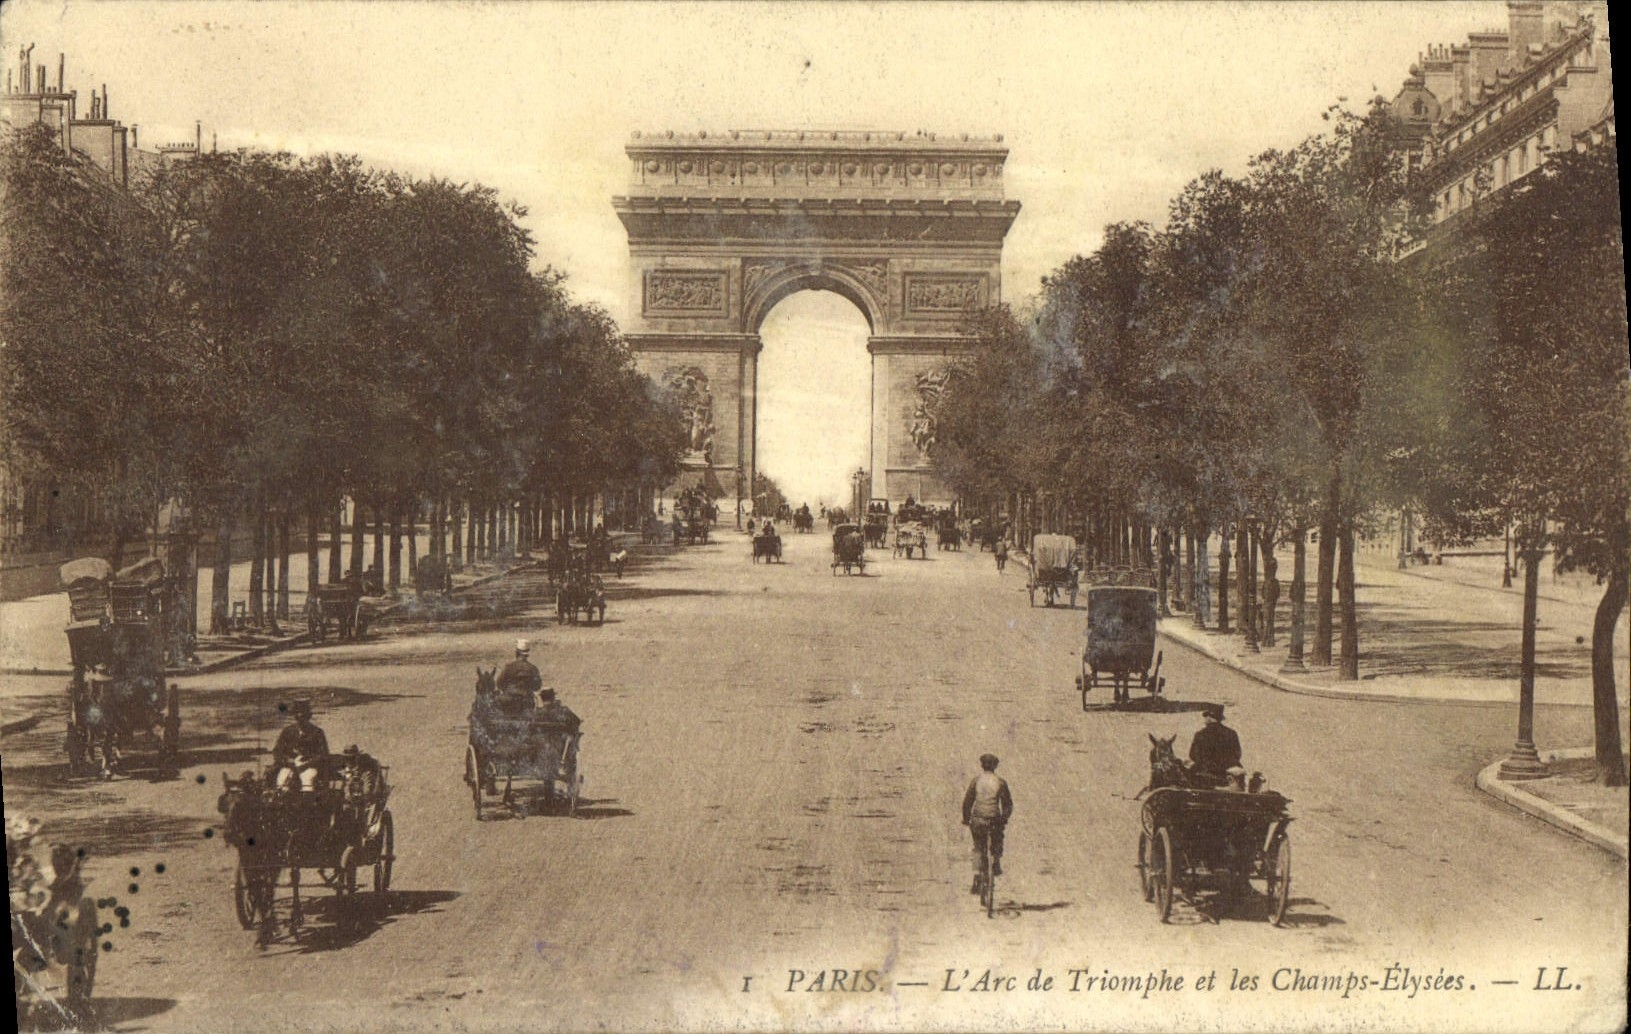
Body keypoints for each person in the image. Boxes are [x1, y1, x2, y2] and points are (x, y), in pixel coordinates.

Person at [961, 753, 1014, 895]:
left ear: (982, 765)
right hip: (994, 820)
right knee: (997, 841)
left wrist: (966, 819)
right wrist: (1004, 818)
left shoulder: (976, 781)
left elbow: (967, 802)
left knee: (978, 847)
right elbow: (1007, 805)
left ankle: (978, 875)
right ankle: (996, 861)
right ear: (995, 766)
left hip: (978, 820)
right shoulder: (1000, 782)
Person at [273, 700, 329, 793]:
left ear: (308, 717)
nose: (300, 719)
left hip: (309, 766)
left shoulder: (317, 732)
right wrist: (288, 761)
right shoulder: (288, 731)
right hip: (289, 766)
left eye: (303, 716)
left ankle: (307, 804)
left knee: (307, 783)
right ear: (295, 717)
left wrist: (306, 764)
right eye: (297, 716)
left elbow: (323, 754)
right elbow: (277, 751)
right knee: (281, 784)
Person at [1188, 705, 1244, 787]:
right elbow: (1237, 754)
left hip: (1205, 772)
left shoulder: (1200, 734)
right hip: (1226, 773)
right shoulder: (1231, 733)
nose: (1204, 720)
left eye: (1205, 717)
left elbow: (1192, 755)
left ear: (1209, 718)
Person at [496, 639, 543, 715]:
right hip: (527, 701)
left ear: (516, 653)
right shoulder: (533, 668)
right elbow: (537, 687)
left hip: (508, 700)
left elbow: (499, 684)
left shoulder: (509, 667)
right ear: (527, 654)